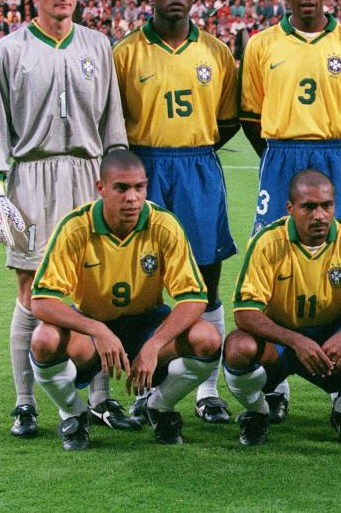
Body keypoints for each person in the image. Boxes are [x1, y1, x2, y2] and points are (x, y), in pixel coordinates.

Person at [0, 0, 131, 439]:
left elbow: (113, 125)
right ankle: (25, 405)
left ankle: (102, 399)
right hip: (32, 179)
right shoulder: (8, 50)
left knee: (96, 289)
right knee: (30, 292)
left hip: (90, 176)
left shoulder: (98, 45)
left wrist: (117, 183)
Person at [239, 0, 341, 419]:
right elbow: (252, 117)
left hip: (335, 153)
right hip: (280, 154)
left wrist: (329, 156)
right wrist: (284, 155)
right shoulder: (260, 45)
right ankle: (275, 379)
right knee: (271, 255)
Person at [113, 0, 239, 425]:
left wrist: (193, 153)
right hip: (143, 167)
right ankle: (120, 391)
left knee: (206, 279)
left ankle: (207, 391)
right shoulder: (125, 53)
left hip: (198, 165)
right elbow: (114, 122)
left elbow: (226, 121)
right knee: (132, 281)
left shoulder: (217, 52)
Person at [28, 150, 221, 449]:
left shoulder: (164, 224)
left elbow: (194, 298)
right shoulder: (75, 227)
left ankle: (159, 406)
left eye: (139, 187)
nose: (132, 198)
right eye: (121, 188)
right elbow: (40, 300)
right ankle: (74, 414)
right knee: (43, 340)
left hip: (148, 325)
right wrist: (98, 330)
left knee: (207, 338)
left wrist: (154, 345)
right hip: (92, 329)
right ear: (101, 188)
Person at [223, 170, 341, 446]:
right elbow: (245, 312)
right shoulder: (268, 241)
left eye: (326, 206)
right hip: (281, 338)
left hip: (333, 339)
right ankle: (257, 413)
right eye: (309, 207)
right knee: (236, 348)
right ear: (290, 208)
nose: (319, 215)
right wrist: (296, 341)